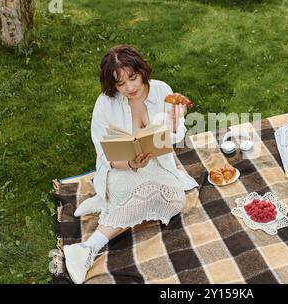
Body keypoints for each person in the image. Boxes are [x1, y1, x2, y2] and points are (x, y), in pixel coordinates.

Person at [63, 44, 198, 284]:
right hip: (121, 169)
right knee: (142, 192)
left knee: (176, 202)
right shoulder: (105, 104)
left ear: (142, 71)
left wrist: (176, 123)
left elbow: (173, 139)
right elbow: (106, 155)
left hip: (159, 165)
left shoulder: (162, 91)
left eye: (133, 78)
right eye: (120, 84)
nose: (130, 88)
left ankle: (108, 207)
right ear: (112, 85)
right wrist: (131, 163)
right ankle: (88, 247)